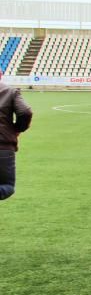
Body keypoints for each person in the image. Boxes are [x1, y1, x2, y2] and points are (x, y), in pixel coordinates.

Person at [0, 68, 33, 201]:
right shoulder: (10, 91)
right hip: (3, 146)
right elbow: (25, 112)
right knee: (7, 186)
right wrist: (17, 129)